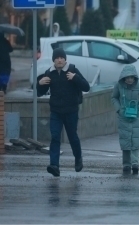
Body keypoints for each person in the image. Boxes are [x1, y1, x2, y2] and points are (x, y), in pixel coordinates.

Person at [37, 48, 90, 177]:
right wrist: (40, 84)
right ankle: (54, 165)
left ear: (65, 59)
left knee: (72, 137)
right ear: (53, 60)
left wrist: (75, 78)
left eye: (62, 57)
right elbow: (40, 92)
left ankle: (78, 158)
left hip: (71, 111)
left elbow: (86, 87)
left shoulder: (72, 70)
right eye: (57, 58)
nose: (59, 60)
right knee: (55, 137)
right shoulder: (50, 73)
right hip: (56, 111)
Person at [111, 65, 139, 175]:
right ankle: (126, 164)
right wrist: (119, 110)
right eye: (127, 77)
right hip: (123, 116)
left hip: (137, 115)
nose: (129, 79)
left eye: (131, 77)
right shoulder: (119, 86)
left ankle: (135, 163)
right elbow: (114, 97)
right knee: (125, 140)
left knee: (135, 140)